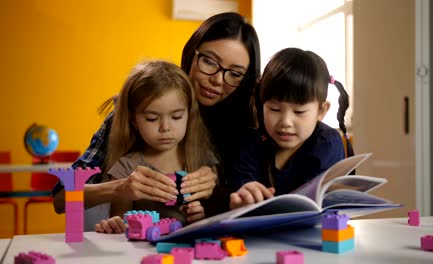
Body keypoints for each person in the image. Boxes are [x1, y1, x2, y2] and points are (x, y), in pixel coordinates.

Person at [52, 12, 261, 225]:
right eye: (209, 61)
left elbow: (249, 202)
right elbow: (61, 198)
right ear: (191, 53)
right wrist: (120, 187)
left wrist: (216, 190)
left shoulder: (244, 125)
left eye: (235, 73)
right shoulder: (136, 107)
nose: (217, 79)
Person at [94, 60, 216, 233]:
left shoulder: (201, 158)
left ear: (189, 115)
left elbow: (218, 213)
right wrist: (115, 225)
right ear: (133, 120)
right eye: (152, 118)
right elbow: (120, 221)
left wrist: (198, 216)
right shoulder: (125, 167)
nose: (165, 127)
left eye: (176, 117)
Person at [228, 48, 353, 209]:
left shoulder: (327, 142)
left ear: (321, 111)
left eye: (299, 112)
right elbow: (240, 190)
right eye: (274, 109)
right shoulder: (251, 143)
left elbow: (315, 204)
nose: (286, 121)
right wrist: (242, 199)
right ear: (262, 104)